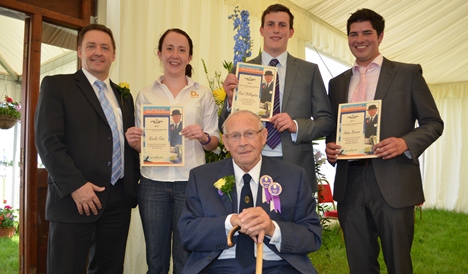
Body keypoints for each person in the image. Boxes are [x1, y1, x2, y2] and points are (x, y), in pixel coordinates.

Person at [325, 9, 443, 273]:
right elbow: (335, 129)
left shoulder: (407, 74)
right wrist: (330, 147)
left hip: (394, 182)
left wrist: (405, 143)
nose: (360, 39)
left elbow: (434, 123)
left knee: (399, 263)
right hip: (350, 184)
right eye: (353, 34)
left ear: (380, 36)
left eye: (367, 33)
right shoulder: (337, 83)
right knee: (359, 264)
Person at [34, 24, 140, 274]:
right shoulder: (57, 86)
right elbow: (47, 141)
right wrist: (76, 186)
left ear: (114, 54)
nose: (98, 52)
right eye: (91, 46)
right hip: (75, 199)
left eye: (105, 47)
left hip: (117, 202)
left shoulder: (124, 96)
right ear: (79, 51)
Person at [178, 110, 321, 273]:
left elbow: (312, 235)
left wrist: (272, 229)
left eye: (250, 133)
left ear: (264, 136)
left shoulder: (293, 176)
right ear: (225, 142)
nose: (243, 142)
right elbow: (188, 235)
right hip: (217, 266)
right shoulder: (201, 177)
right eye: (235, 136)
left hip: (279, 265)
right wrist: (230, 223)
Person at [124, 28, 220, 274]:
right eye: (169, 48)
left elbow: (214, 141)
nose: (175, 55)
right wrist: (135, 141)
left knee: (185, 259)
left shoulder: (203, 93)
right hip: (152, 184)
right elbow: (141, 144)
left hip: (190, 184)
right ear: (159, 53)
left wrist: (203, 136)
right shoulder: (145, 94)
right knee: (155, 260)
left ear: (189, 57)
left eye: (181, 50)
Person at [221, 3, 335, 192]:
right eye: (271, 24)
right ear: (261, 30)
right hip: (251, 162)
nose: (276, 30)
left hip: (296, 164)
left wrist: (296, 126)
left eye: (282, 25)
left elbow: (328, 121)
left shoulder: (309, 71)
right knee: (253, 221)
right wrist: (231, 101)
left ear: (291, 32)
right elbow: (224, 126)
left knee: (294, 221)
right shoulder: (241, 71)